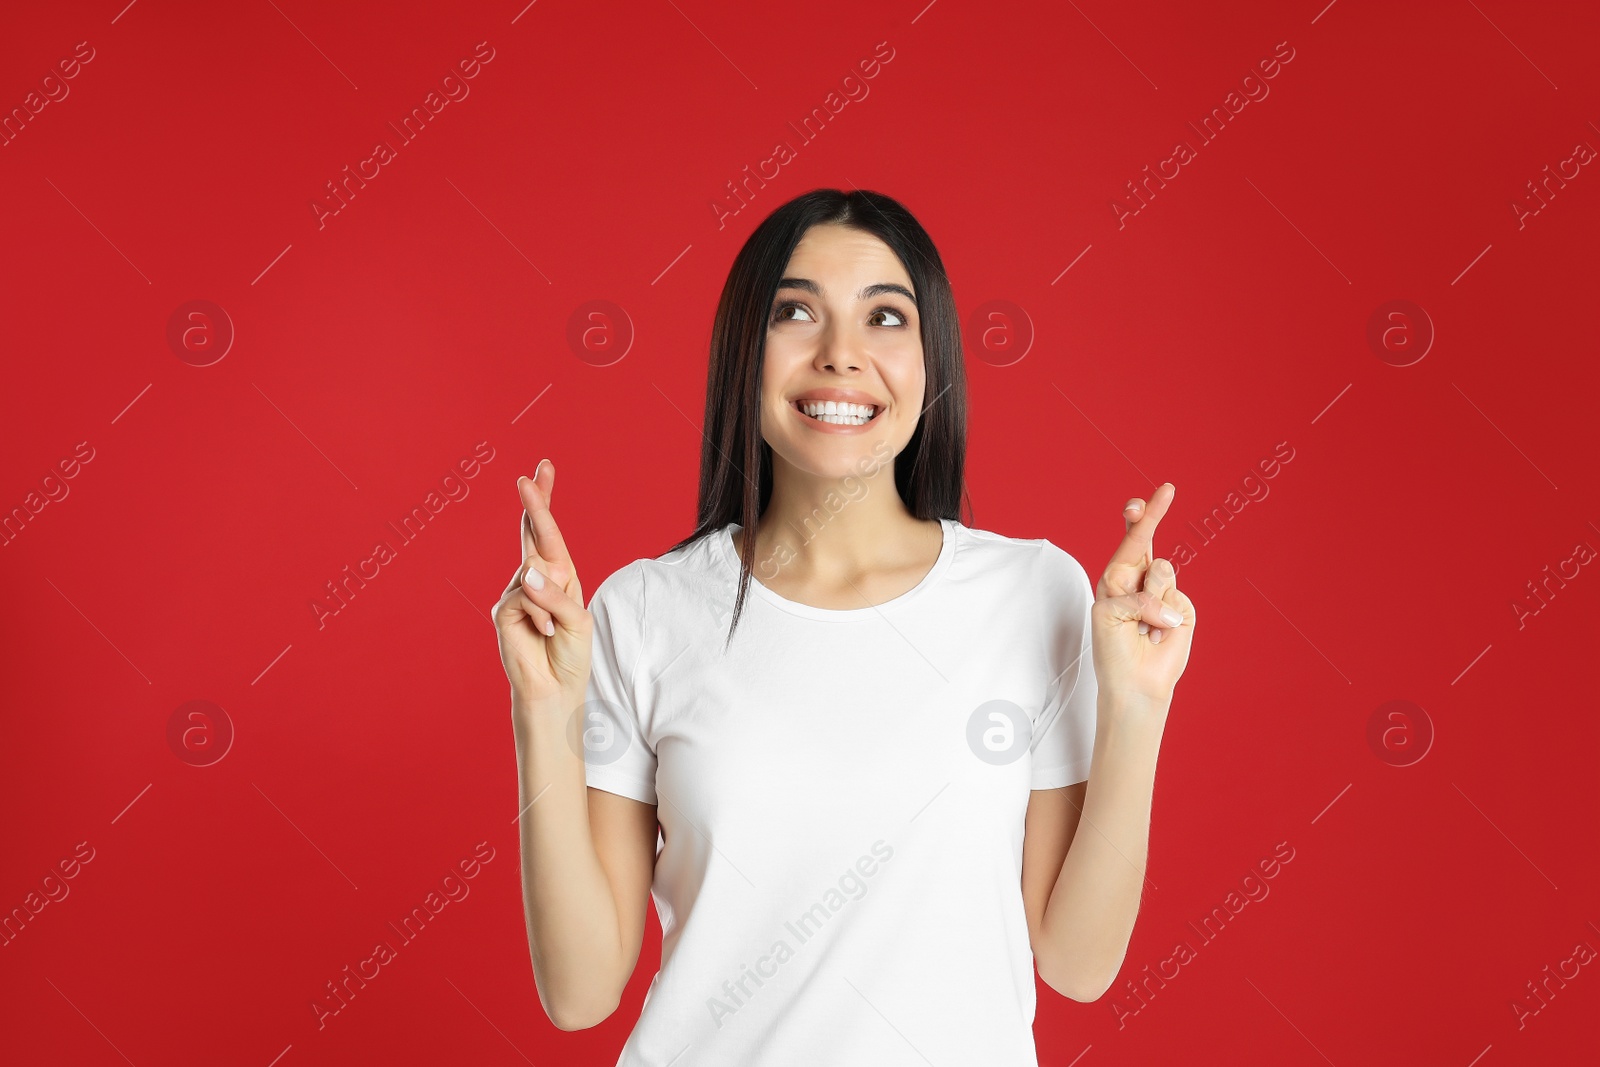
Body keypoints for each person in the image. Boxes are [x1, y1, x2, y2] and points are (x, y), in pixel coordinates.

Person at [495, 188, 1196, 1065]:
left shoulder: (1034, 594)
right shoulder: (644, 611)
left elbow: (1079, 963)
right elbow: (580, 992)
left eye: (885, 318)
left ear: (932, 357)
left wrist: (1135, 708)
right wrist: (542, 707)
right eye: (796, 312)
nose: (840, 356)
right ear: (745, 352)